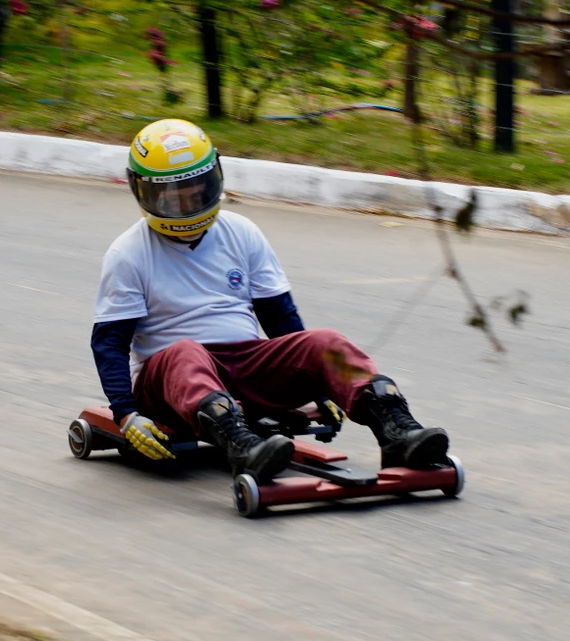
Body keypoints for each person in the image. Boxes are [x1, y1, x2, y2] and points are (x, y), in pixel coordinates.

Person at [91, 118, 449, 482]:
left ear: (213, 178)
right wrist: (127, 414)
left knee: (326, 342)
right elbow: (110, 343)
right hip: (169, 381)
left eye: (195, 191)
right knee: (187, 352)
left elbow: (280, 318)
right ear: (142, 190)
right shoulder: (128, 253)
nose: (186, 205)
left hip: (245, 366)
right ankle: (243, 447)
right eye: (171, 196)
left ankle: (397, 430)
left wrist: (324, 383)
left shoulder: (242, 232)